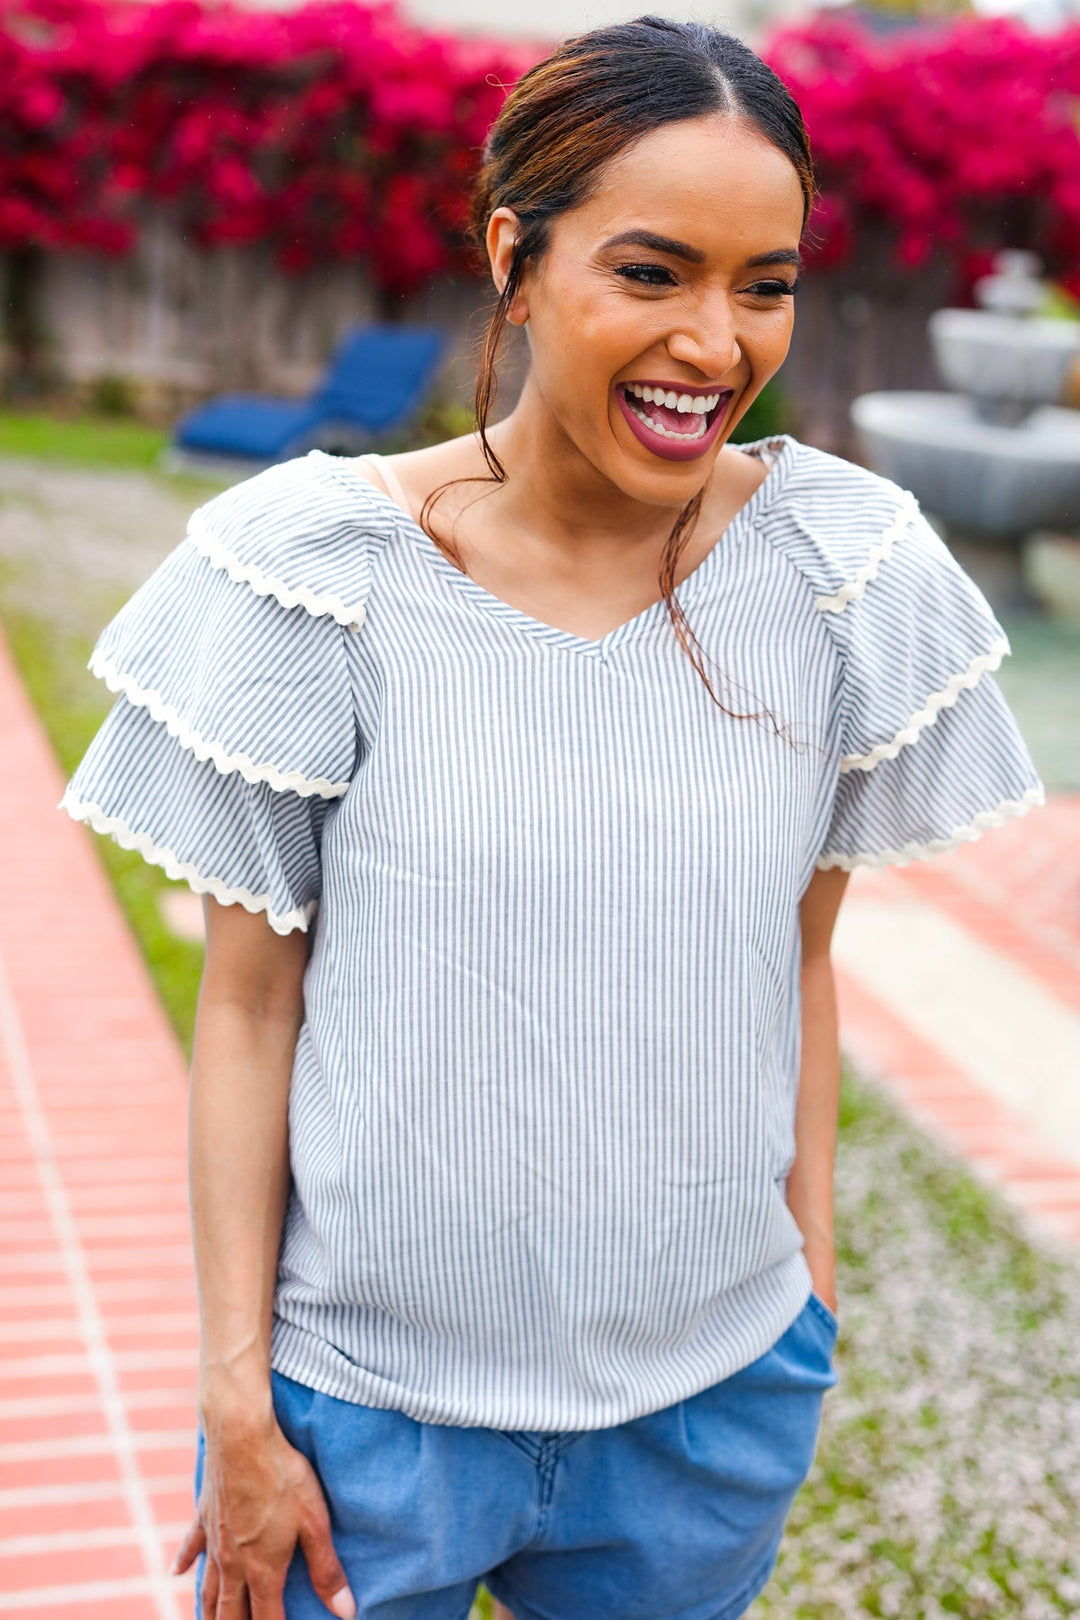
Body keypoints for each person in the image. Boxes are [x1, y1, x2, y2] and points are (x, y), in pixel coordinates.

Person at [61, 16, 1044, 1620]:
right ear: (515, 259)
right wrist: (238, 1396)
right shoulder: (315, 576)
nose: (713, 343)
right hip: (356, 1424)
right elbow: (246, 1008)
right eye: (652, 274)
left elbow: (796, 962)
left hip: (707, 1408)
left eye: (766, 284)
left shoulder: (842, 570)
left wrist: (808, 1292)